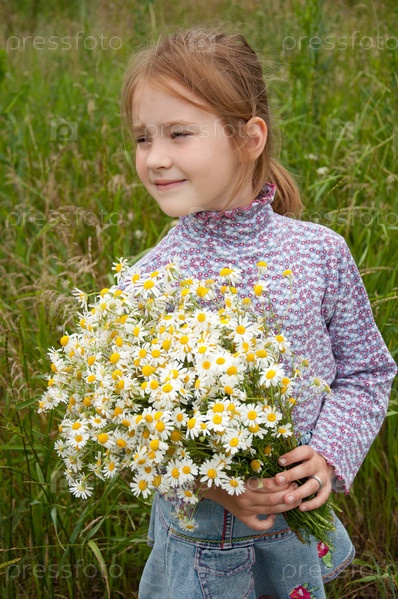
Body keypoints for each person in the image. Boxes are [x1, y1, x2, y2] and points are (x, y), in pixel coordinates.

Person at [121, 28, 397, 599]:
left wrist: (326, 454)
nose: (156, 157)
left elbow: (368, 372)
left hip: (291, 534)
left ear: (249, 138)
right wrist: (219, 488)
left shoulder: (319, 252)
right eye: (143, 138)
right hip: (195, 545)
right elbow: (129, 427)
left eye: (178, 134)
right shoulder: (147, 280)